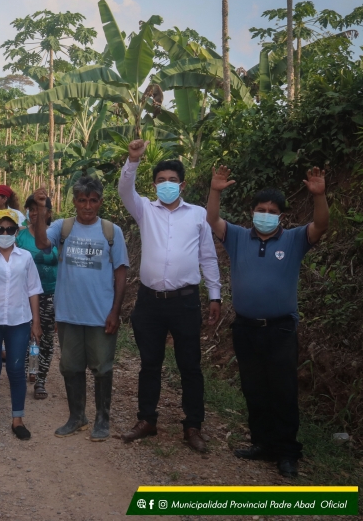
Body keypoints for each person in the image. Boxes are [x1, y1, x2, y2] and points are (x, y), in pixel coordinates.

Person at [206, 166, 328, 477]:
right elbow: (212, 220)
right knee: (254, 389)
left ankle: (287, 452)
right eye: (261, 210)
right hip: (246, 327)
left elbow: (321, 225)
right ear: (252, 212)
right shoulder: (235, 236)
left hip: (280, 329)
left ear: (281, 216)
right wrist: (215, 191)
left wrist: (319, 196)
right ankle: (262, 444)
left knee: (283, 391)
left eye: (272, 211)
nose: (266, 214)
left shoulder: (295, 240)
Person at [118, 140, 221, 453]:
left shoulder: (198, 215)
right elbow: (125, 191)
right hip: (150, 302)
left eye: (172, 180)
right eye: (160, 181)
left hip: (185, 301)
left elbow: (208, 256)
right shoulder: (145, 210)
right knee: (150, 363)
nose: (166, 185)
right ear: (154, 185)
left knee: (190, 366)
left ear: (182, 184)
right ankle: (147, 420)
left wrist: (214, 294)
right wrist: (132, 160)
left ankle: (193, 427)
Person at [33, 179, 129, 441]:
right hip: (68, 315)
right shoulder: (62, 227)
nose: (88, 206)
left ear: (100, 201)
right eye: (82, 200)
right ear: (74, 201)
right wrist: (41, 210)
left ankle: (102, 420)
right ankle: (77, 417)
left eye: (93, 200)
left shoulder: (111, 231)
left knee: (103, 368)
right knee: (71, 367)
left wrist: (115, 312)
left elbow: (121, 273)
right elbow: (42, 243)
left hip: (100, 315)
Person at [0, 209, 42, 440]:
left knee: (15, 370)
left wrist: (36, 322)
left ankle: (17, 420)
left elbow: (33, 290)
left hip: (18, 320)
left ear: (16, 231)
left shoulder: (25, 257)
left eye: (9, 229)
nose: (4, 233)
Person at [16, 194, 58, 399]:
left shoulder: (57, 236)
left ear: (48, 213)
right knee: (24, 336)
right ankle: (25, 372)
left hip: (50, 295)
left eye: (39, 209)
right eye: (31, 209)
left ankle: (40, 381)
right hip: (23, 296)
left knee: (47, 339)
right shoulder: (20, 236)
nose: (34, 213)